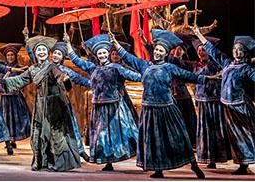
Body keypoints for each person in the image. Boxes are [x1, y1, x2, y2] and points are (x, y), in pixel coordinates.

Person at [113, 29, 211, 179]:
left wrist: (208, 78)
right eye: (156, 50)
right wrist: (115, 43)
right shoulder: (145, 66)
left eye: (161, 51)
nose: (157, 53)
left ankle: (194, 165)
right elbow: (128, 57)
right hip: (149, 109)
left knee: (178, 137)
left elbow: (188, 75)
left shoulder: (169, 67)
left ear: (165, 54)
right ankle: (158, 169)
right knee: (153, 140)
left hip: (166, 108)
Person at [0, 35, 82, 172]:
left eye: (44, 50)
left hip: (55, 104)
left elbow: (59, 75)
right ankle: (40, 161)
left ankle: (58, 163)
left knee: (55, 135)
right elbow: (19, 80)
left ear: (47, 52)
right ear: (35, 53)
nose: (41, 52)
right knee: (38, 134)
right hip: (40, 105)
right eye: (39, 50)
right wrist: (1, 82)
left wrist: (64, 79)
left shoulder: (51, 67)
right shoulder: (32, 69)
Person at [65, 34, 141, 171]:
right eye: (99, 53)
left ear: (108, 54)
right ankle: (108, 161)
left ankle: (135, 154)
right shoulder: (93, 68)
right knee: (103, 135)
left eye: (104, 53)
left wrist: (146, 75)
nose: (102, 55)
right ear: (97, 55)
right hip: (99, 107)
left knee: (118, 133)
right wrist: (68, 45)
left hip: (114, 106)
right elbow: (77, 61)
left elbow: (133, 76)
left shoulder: (115, 67)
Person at [193, 28, 255, 175]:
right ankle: (243, 164)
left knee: (245, 134)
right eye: (235, 49)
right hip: (227, 106)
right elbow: (213, 50)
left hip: (240, 106)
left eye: (240, 50)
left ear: (245, 52)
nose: (237, 52)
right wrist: (198, 34)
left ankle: (246, 161)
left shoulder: (246, 68)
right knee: (235, 136)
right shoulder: (227, 63)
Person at [169, 39, 231, 169]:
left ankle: (221, 155)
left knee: (217, 129)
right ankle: (209, 159)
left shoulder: (217, 65)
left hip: (216, 102)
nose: (201, 52)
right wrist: (175, 50)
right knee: (206, 130)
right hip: (202, 102)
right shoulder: (194, 65)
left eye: (204, 49)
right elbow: (175, 63)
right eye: (199, 50)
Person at [50, 41, 90, 161]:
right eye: (55, 53)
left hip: (62, 103)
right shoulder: (45, 68)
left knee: (71, 127)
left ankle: (80, 150)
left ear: (62, 57)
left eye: (59, 54)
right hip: (49, 104)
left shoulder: (65, 70)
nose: (56, 55)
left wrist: (97, 83)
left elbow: (79, 81)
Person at [0, 43, 32, 156]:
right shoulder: (3, 69)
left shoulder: (20, 68)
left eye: (12, 55)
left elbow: (23, 82)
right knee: (5, 120)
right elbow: (1, 82)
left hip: (16, 98)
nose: (10, 57)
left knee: (18, 120)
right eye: (8, 55)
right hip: (5, 99)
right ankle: (8, 143)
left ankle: (13, 140)